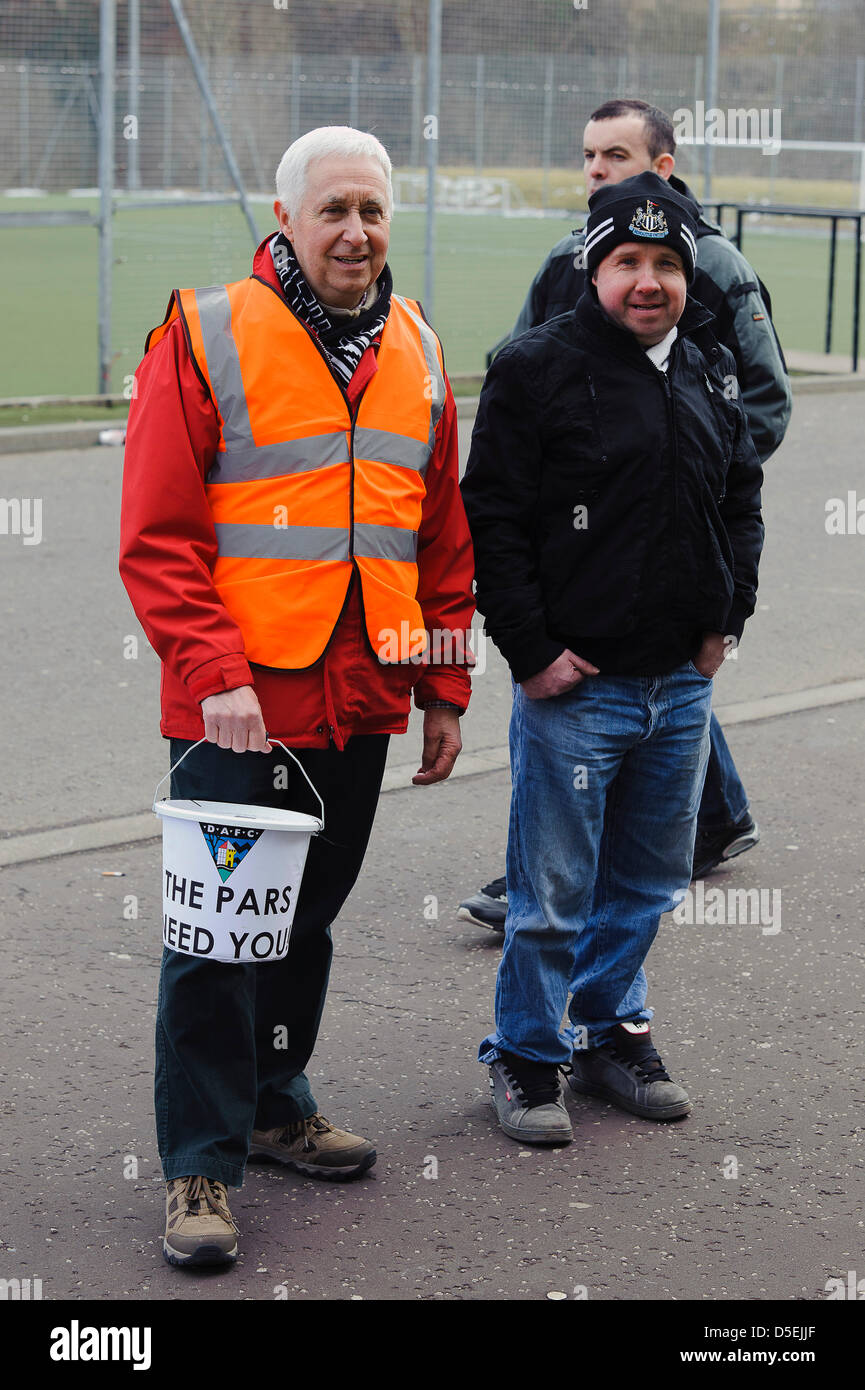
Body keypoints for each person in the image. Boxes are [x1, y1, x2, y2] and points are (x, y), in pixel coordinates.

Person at [119, 126, 474, 1266]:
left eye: (372, 210)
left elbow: (440, 538)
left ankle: (275, 1103)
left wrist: (443, 685)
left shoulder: (415, 342)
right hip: (238, 704)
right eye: (332, 211)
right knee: (217, 940)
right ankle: (198, 1169)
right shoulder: (206, 332)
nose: (356, 232)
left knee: (304, 921)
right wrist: (216, 674)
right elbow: (158, 537)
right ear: (285, 220)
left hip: (361, 696)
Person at [461, 172, 764, 1143]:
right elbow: (492, 518)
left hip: (679, 685)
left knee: (643, 882)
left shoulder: (710, 368)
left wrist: (727, 623)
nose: (647, 280)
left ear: (687, 273)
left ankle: (607, 1030)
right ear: (592, 266)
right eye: (626, 260)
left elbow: (739, 502)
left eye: (665, 262)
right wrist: (532, 650)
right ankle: (525, 1054)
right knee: (550, 893)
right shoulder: (534, 368)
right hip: (575, 688)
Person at [458, 98, 790, 933]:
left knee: (665, 673)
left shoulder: (715, 266)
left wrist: (672, 470)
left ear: (662, 169)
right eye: (587, 156)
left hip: (673, 533)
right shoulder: (566, 260)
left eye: (616, 155)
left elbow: (762, 402)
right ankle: (546, 892)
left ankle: (693, 835)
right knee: (598, 691)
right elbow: (520, 369)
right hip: (580, 554)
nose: (596, 171)